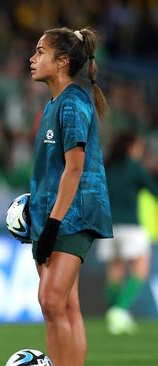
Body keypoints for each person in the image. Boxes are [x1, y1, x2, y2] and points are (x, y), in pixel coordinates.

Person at [28, 27, 113, 366]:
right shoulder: (54, 104)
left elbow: (74, 169)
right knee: (64, 306)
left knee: (50, 300)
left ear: (62, 61)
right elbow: (52, 170)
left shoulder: (73, 103)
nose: (32, 59)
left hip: (72, 215)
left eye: (39, 52)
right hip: (53, 213)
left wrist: (52, 223)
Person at [97, 131, 158, 335]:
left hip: (108, 227)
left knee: (115, 272)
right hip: (131, 227)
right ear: (131, 147)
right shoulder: (135, 168)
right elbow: (154, 191)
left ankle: (115, 316)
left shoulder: (106, 167)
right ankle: (119, 311)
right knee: (140, 269)